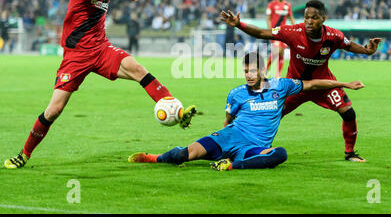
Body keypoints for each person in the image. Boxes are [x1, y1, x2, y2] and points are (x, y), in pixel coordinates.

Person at [4, 0, 197, 169]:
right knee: (54, 109)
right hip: (76, 56)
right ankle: (24, 154)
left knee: (137, 68)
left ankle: (176, 110)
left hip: (101, 48)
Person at [128, 52, 365, 170]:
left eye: (252, 70)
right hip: (228, 137)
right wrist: (219, 138)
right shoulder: (236, 93)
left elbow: (313, 84)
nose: (249, 75)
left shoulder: (281, 86)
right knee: (182, 155)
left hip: (253, 146)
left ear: (262, 69)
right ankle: (153, 158)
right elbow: (228, 119)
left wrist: (343, 84)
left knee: (280, 154)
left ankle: (232, 165)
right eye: (245, 71)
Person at [220, 0, 382, 162]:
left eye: (314, 18)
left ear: (323, 18)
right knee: (268, 114)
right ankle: (240, 144)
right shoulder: (293, 32)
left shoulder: (334, 36)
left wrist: (367, 51)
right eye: (306, 18)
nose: (309, 22)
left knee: (348, 113)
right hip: (294, 87)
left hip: (323, 85)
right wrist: (239, 24)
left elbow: (349, 45)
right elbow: (263, 33)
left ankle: (350, 153)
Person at [265, 0, 295, 78]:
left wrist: (295, 28)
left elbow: (291, 17)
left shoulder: (287, 5)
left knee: (281, 53)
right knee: (276, 51)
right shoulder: (271, 4)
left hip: (283, 32)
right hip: (275, 31)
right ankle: (266, 68)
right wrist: (270, 30)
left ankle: (278, 74)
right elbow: (268, 18)